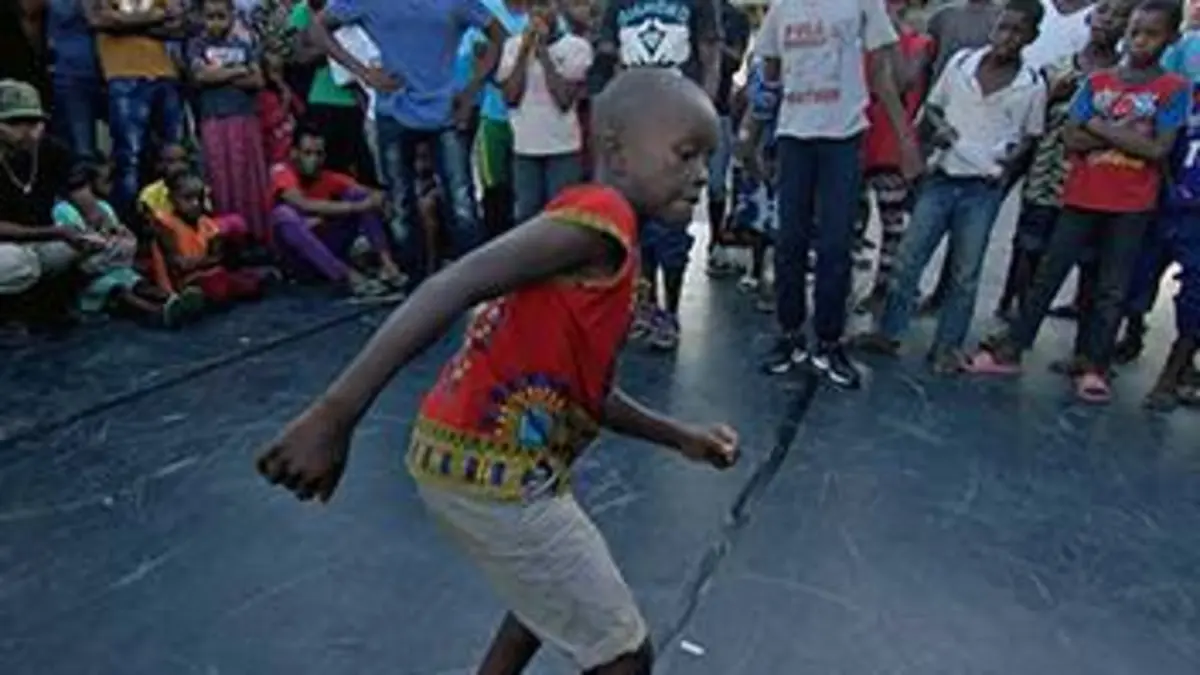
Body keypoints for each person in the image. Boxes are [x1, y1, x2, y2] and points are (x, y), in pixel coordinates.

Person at [256, 69, 739, 675]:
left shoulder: (596, 236)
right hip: (497, 475)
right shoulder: (604, 216)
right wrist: (336, 412)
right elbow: (453, 282)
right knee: (622, 653)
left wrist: (679, 437)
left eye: (708, 158)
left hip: (472, 455)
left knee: (543, 596)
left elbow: (583, 392)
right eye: (686, 153)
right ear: (613, 148)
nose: (700, 174)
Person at [965, 0, 1188, 404]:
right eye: (1135, 31)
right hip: (1082, 193)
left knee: (1111, 287)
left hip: (1132, 203)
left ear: (1170, 38)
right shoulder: (1098, 82)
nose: (1139, 41)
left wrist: (1100, 126)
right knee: (1048, 273)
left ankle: (1093, 364)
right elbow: (1071, 137)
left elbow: (1159, 149)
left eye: (1151, 34)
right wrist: (1126, 135)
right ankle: (1014, 347)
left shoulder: (1173, 89)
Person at [854, 0, 1046, 373]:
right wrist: (937, 131)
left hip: (983, 187)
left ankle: (947, 346)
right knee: (909, 258)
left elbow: (1030, 135)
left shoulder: (1031, 85)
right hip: (942, 177)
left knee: (966, 271)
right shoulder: (961, 65)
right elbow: (933, 108)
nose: (1006, 37)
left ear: (1031, 37)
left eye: (1016, 31)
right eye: (1002, 28)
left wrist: (1009, 165)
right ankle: (889, 332)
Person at [749, 0, 923, 388]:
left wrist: (905, 138)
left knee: (836, 245)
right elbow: (770, 74)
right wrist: (755, 132)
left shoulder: (864, 4)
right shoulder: (782, 8)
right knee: (789, 242)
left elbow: (880, 72)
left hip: (842, 139)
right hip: (794, 138)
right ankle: (789, 337)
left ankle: (829, 342)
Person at [314, 0, 507, 281]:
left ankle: (471, 285)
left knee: (461, 201)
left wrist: (472, 89)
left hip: (444, 111)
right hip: (394, 110)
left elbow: (498, 35)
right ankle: (413, 285)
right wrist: (363, 72)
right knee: (402, 203)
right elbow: (317, 27)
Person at [597, 0, 723, 351]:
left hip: (678, 127)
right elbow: (610, 59)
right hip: (636, 129)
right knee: (637, 225)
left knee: (673, 225)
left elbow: (710, 55)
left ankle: (671, 310)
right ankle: (645, 306)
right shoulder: (617, 5)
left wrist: (704, 111)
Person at [0, 79, 103, 329]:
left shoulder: (52, 150)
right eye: (14, 123)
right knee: (15, 264)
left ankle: (53, 304)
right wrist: (55, 232)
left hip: (40, 241)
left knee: (111, 248)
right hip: (9, 247)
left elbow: (84, 199)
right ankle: (9, 315)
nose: (27, 130)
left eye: (34, 122)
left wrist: (100, 226)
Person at [857, 0, 936, 315]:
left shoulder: (919, 43)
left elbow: (904, 80)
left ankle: (885, 288)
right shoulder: (860, 37)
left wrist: (888, 34)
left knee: (893, 222)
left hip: (891, 141)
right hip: (859, 134)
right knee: (853, 217)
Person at [53, 162, 205, 325]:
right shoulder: (63, 211)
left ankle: (174, 301)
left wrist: (114, 235)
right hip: (91, 278)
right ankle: (159, 313)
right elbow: (77, 246)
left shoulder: (104, 207)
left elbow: (119, 233)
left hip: (115, 267)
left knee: (141, 285)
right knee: (121, 293)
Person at [269, 125, 405, 300]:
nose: (314, 159)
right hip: (297, 260)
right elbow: (303, 204)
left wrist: (379, 201)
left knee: (358, 195)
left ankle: (388, 266)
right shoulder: (282, 172)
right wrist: (356, 207)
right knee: (283, 214)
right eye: (308, 153)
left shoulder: (329, 177)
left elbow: (371, 194)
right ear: (294, 153)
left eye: (319, 154)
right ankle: (349, 276)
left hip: (329, 246)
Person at [84, 0, 188, 220]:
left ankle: (177, 228)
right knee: (129, 160)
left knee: (175, 156)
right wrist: (157, 17)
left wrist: (124, 24)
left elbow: (179, 25)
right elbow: (98, 20)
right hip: (123, 75)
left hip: (165, 73)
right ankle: (131, 228)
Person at [499, 0, 593, 223]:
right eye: (533, 7)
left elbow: (563, 99)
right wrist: (523, 52)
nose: (538, 12)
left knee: (562, 218)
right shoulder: (512, 46)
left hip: (563, 148)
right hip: (525, 147)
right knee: (526, 217)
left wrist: (543, 53)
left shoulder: (576, 47)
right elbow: (510, 98)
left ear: (556, 8)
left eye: (544, 5)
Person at [188, 0, 272, 241]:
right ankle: (226, 237)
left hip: (244, 120)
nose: (215, 22)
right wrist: (237, 71)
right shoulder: (197, 45)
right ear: (202, 18)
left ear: (232, 16)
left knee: (247, 177)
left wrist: (219, 75)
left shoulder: (245, 46)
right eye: (210, 17)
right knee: (219, 178)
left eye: (221, 16)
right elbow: (201, 75)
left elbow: (257, 81)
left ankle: (254, 236)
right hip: (214, 120)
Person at [149, 170, 265, 306]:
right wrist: (206, 261)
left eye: (199, 198)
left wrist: (205, 261)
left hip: (206, 272)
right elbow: (177, 265)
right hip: (182, 280)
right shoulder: (165, 224)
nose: (195, 204)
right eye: (188, 198)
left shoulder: (206, 223)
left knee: (244, 281)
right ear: (172, 199)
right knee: (215, 284)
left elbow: (217, 256)